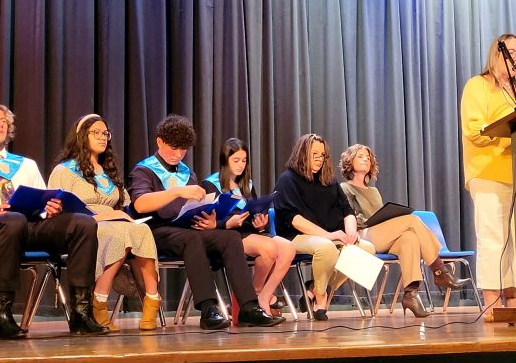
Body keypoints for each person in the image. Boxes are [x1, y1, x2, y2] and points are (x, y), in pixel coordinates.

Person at [0, 102, 107, 338]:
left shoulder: (25, 165)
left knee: (83, 223)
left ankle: (81, 313)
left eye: (4, 120)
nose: (1, 123)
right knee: (11, 220)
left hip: (29, 228)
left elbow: (42, 201)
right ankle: (1, 316)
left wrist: (48, 209)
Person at [128, 115, 283, 329]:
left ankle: (248, 307)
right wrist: (177, 192)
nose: (178, 154)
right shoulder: (144, 170)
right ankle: (209, 308)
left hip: (187, 227)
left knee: (229, 237)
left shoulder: (185, 171)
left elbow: (193, 205)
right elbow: (140, 204)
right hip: (157, 230)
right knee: (192, 238)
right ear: (160, 142)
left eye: (183, 149)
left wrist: (208, 214)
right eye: (173, 148)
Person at [48, 114, 161, 331]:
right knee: (117, 232)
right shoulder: (64, 171)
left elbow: (124, 205)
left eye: (105, 134)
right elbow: (56, 211)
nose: (103, 138)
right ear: (82, 136)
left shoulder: (108, 171)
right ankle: (99, 302)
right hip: (83, 228)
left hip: (115, 222)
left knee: (142, 229)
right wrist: (107, 216)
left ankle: (152, 299)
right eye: (96, 133)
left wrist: (119, 215)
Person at [459, 34, 516, 320]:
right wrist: (510, 135)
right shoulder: (478, 85)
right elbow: (475, 131)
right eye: (512, 52)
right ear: (497, 53)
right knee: (494, 238)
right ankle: (492, 305)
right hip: (488, 173)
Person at [338, 144, 467, 317]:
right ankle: (439, 271)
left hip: (381, 234)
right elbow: (350, 216)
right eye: (360, 156)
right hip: (363, 236)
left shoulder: (374, 191)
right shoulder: (345, 188)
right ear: (349, 161)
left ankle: (410, 294)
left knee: (409, 238)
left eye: (368, 157)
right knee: (413, 220)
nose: (366, 159)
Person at [273, 134, 376, 321]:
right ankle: (320, 297)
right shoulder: (288, 180)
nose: (319, 159)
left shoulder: (329, 180)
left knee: (367, 249)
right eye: (315, 154)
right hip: (296, 236)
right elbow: (295, 220)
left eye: (322, 155)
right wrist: (329, 235)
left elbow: (347, 211)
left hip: (331, 235)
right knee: (326, 247)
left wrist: (351, 232)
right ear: (302, 154)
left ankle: (315, 289)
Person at [202, 138, 294, 317]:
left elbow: (254, 213)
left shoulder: (247, 184)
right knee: (269, 248)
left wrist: (259, 224)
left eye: (244, 161)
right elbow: (207, 221)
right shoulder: (211, 184)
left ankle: (261, 294)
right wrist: (227, 223)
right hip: (227, 236)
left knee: (288, 248)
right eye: (235, 160)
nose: (240, 165)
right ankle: (254, 296)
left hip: (250, 233)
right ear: (225, 160)